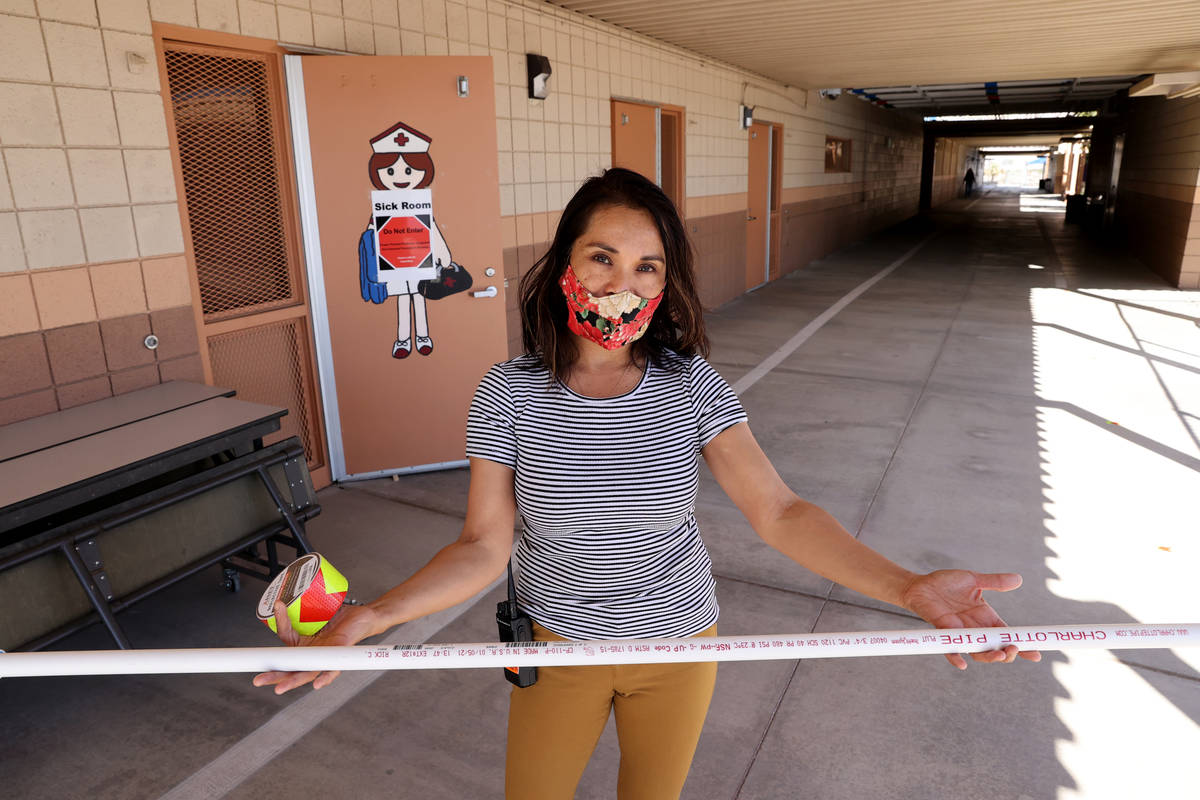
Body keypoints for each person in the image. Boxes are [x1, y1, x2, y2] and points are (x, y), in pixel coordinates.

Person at [254, 168, 1040, 799]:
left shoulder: (691, 386)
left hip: (679, 648)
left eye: (646, 266)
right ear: (565, 261)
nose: (619, 283)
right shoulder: (507, 393)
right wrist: (376, 617)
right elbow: (483, 544)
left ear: (665, 285)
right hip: (557, 650)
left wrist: (908, 589)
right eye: (602, 257)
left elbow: (780, 510)